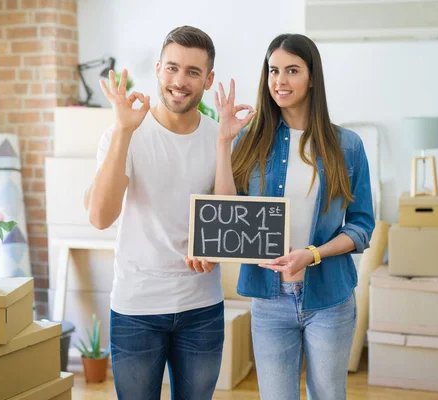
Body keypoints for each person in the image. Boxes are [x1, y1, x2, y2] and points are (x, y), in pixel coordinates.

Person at [211, 33, 375, 399]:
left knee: (328, 394)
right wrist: (223, 142)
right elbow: (227, 211)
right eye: (273, 71)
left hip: (329, 298)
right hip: (269, 299)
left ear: (312, 76)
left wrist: (312, 254)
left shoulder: (347, 145)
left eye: (291, 70)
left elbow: (363, 225)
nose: (279, 81)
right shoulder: (250, 140)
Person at [84, 26, 225, 400]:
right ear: (159, 69)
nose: (180, 81)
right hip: (137, 307)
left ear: (208, 80)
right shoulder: (124, 132)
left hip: (202, 307)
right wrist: (123, 131)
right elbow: (100, 216)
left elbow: (227, 221)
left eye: (193, 72)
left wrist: (217, 251)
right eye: (172, 68)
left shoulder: (220, 138)